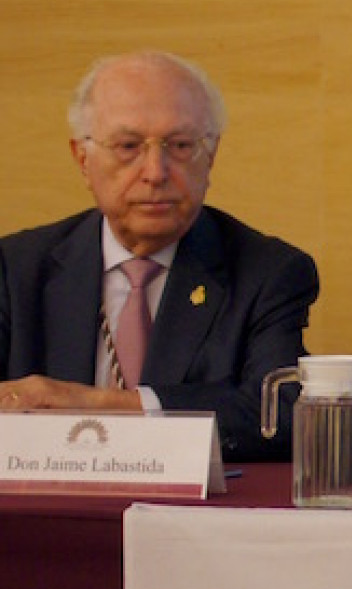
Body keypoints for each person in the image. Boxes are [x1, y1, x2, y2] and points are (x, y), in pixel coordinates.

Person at [0, 51, 319, 461]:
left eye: (181, 145)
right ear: (83, 159)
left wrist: (95, 405)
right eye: (129, 146)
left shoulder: (268, 272)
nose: (155, 171)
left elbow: (279, 413)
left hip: (192, 520)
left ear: (211, 155)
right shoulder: (16, 267)